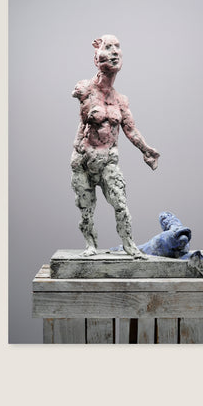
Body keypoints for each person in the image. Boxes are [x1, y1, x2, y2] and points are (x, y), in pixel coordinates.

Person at [71, 34, 159, 258]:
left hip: (108, 160)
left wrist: (146, 150)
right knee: (86, 209)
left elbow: (130, 129)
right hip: (83, 160)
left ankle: (129, 245)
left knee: (120, 204)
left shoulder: (121, 100)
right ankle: (90, 245)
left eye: (117, 47)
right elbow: (84, 113)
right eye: (108, 47)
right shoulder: (85, 89)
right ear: (96, 58)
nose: (114, 52)